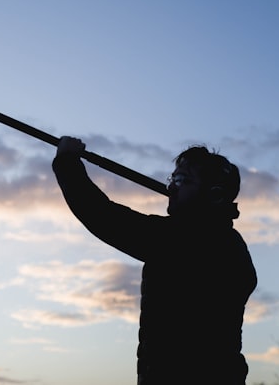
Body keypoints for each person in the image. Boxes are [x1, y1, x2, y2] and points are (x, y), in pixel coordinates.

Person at [52, 136, 257, 384]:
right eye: (173, 179)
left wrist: (67, 162)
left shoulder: (193, 240)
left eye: (183, 180)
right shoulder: (226, 243)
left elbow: (102, 216)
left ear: (214, 195)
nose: (171, 187)